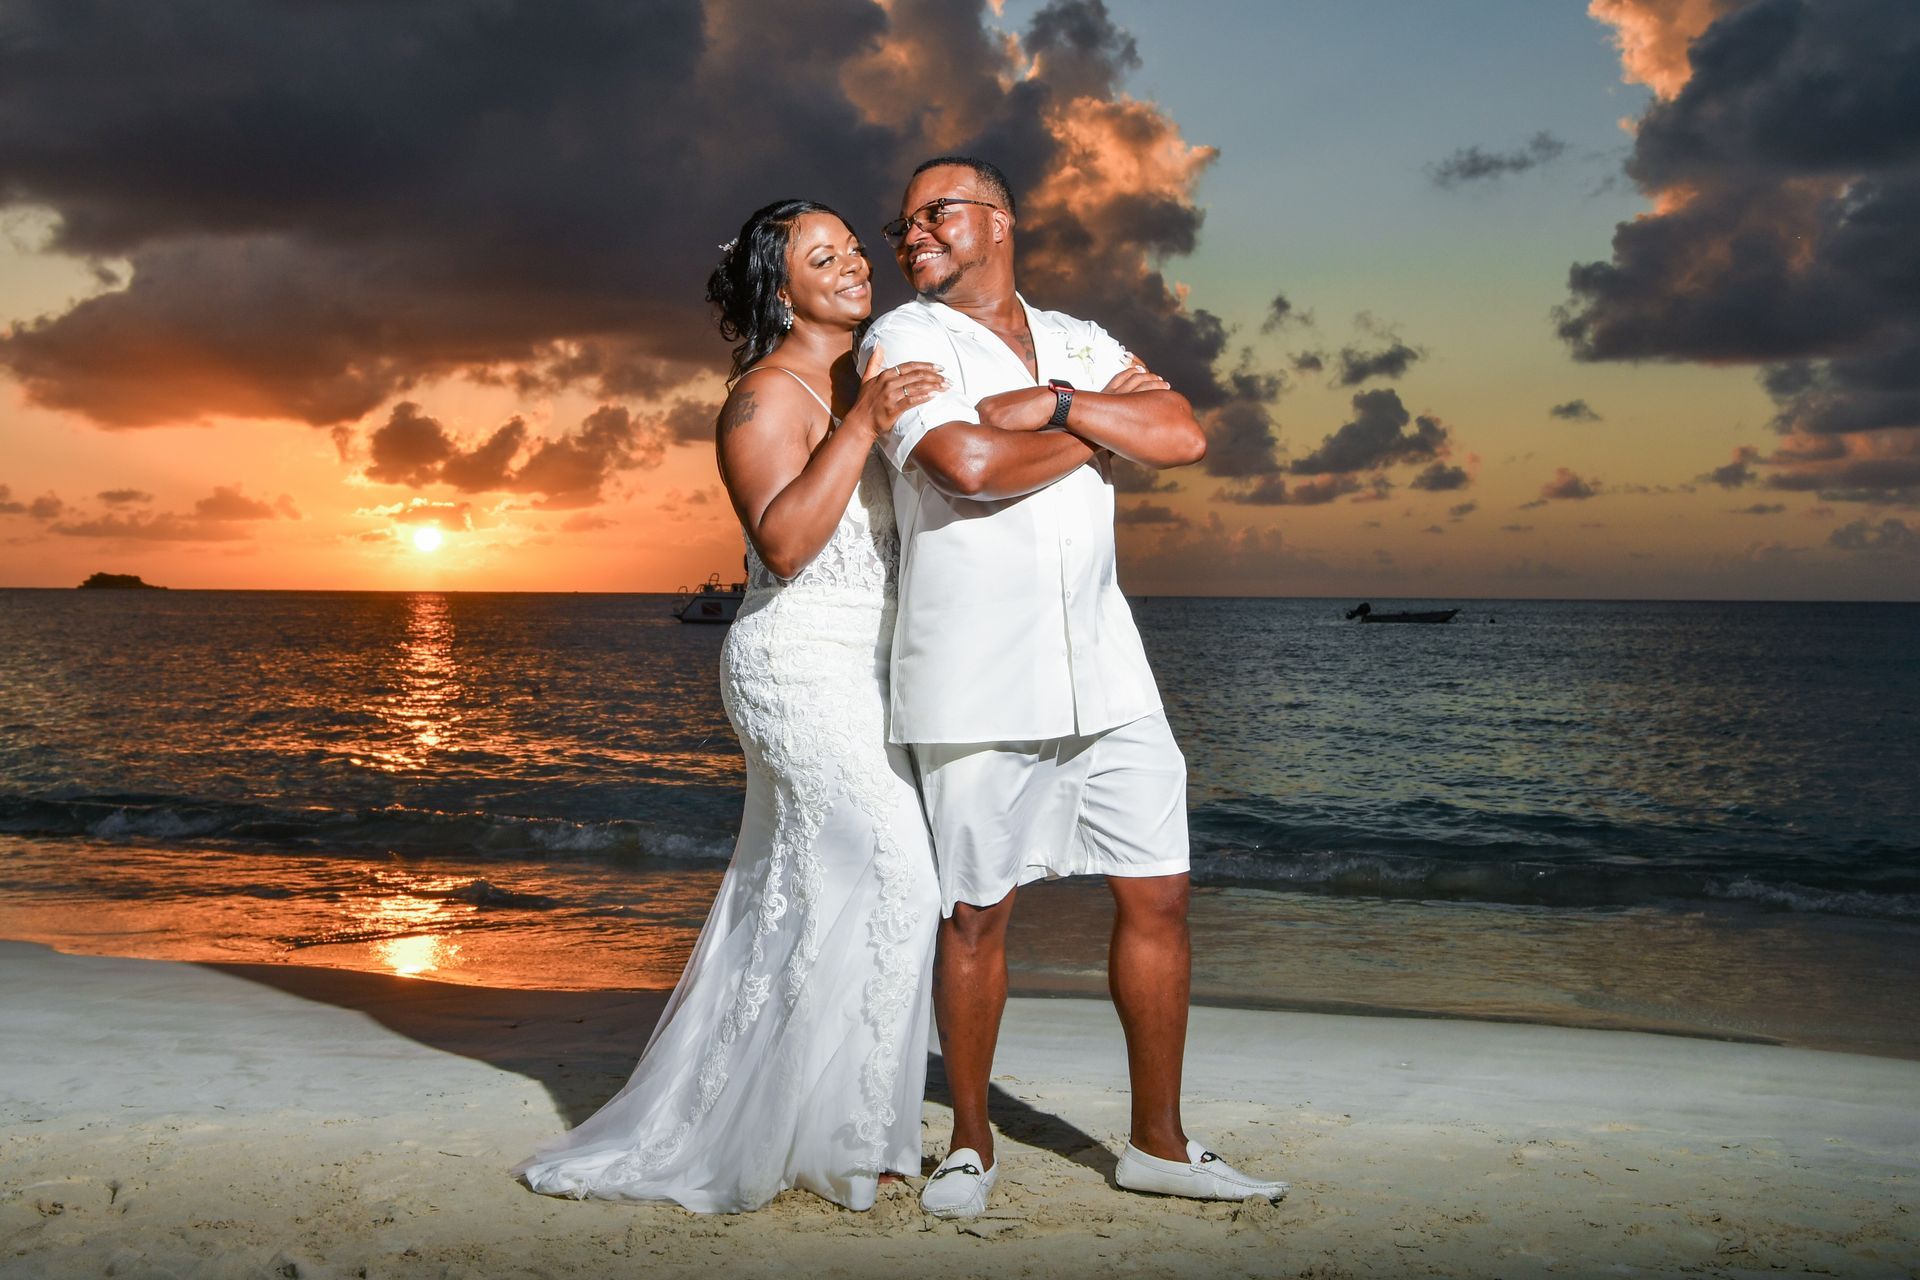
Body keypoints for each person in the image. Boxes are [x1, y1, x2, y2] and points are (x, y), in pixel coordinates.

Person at [859, 157, 1290, 1218]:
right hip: (969, 672)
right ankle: (968, 1140)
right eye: (900, 222)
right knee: (974, 914)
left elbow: (1183, 435)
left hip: (1109, 665)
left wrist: (1053, 402)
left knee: (1159, 889)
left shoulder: (1081, 341)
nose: (909, 233)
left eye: (934, 213)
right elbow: (964, 462)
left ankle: (1158, 1141)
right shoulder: (904, 339)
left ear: (998, 223)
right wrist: (1099, 428)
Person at [515, 199, 947, 1213]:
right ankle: (849, 1137)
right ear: (779, 288)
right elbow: (787, 543)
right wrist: (866, 422)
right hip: (795, 665)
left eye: (851, 248)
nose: (850, 264)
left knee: (814, 889)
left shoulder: (853, 380)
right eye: (820, 255)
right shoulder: (762, 399)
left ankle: (841, 1124)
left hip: (866, 665)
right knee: (896, 869)